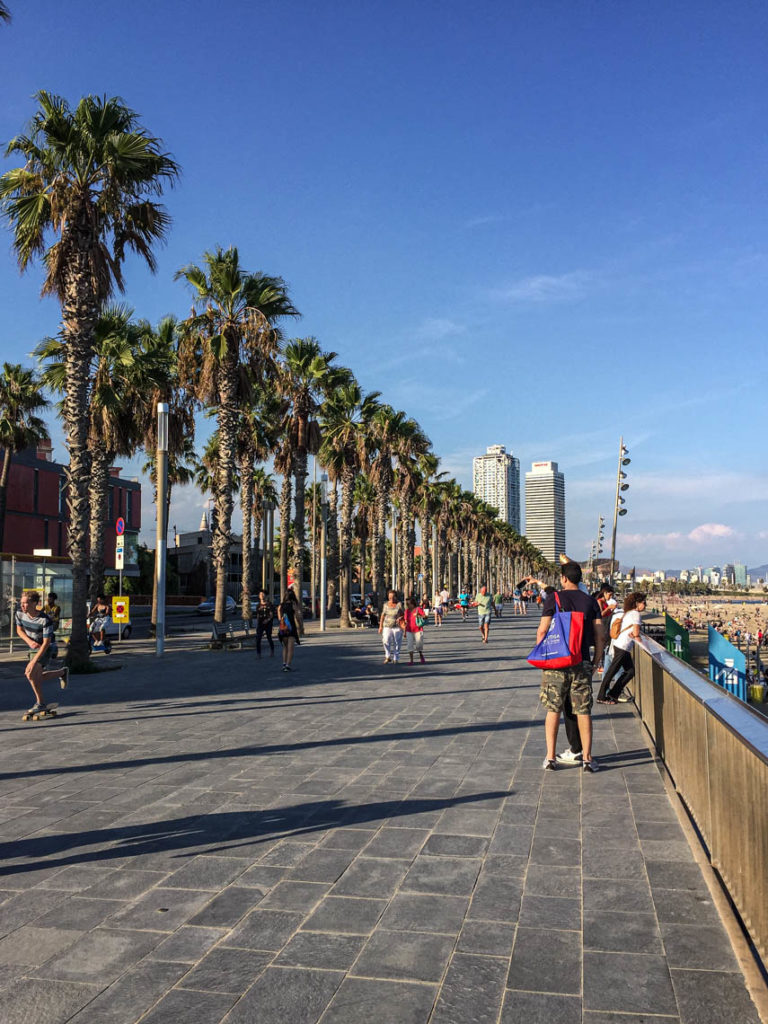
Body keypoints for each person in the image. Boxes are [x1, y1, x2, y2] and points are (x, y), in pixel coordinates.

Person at [537, 562, 604, 772]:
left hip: (557, 661)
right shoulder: (591, 602)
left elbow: (542, 631)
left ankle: (550, 757)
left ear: (563, 578)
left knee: (553, 708)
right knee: (583, 710)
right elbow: (600, 636)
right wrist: (596, 661)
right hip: (581, 660)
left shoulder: (554, 598)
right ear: (580, 579)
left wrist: (543, 658)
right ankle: (586, 758)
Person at [15, 591, 69, 717]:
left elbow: (46, 643)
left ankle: (40, 703)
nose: (22, 606)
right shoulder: (19, 613)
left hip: (47, 648)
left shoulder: (45, 620)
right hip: (33, 648)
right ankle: (62, 672)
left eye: (26, 603)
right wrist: (30, 641)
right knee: (35, 676)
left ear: (34, 603)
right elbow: (19, 630)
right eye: (21, 603)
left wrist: (33, 662)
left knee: (30, 673)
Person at [596, 592, 647, 704]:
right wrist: (646, 646)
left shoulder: (629, 612)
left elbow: (633, 632)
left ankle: (613, 693)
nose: (645, 605)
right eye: (644, 602)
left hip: (620, 645)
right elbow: (636, 633)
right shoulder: (636, 614)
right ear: (637, 603)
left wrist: (634, 634)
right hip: (623, 647)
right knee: (612, 671)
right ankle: (601, 696)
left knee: (630, 671)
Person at [277, 590, 300, 672]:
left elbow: (279, 617)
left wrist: (282, 621)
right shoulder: (293, 604)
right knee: (290, 648)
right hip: (291, 628)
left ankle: (284, 663)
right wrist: (299, 626)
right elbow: (297, 616)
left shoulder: (281, 605)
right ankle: (288, 665)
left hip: (283, 628)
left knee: (285, 647)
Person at [379, 590, 405, 663]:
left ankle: (396, 658)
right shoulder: (385, 604)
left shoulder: (399, 604)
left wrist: (401, 617)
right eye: (390, 597)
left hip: (397, 626)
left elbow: (404, 614)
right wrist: (380, 626)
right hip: (387, 626)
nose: (391, 598)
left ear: (396, 597)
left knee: (397, 642)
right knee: (386, 640)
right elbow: (382, 615)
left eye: (393, 597)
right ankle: (387, 656)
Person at [404, 596, 426, 664]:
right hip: (409, 630)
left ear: (413, 603)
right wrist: (404, 632)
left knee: (419, 645)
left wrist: (419, 614)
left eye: (409, 604)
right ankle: (411, 660)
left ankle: (421, 654)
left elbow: (425, 616)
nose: (408, 605)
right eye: (407, 604)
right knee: (410, 645)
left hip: (418, 630)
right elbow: (405, 622)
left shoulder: (418, 609)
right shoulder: (406, 611)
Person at [254, 590, 275, 658]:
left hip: (268, 624)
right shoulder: (258, 605)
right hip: (260, 624)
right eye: (260, 594)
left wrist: (268, 620)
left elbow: (271, 614)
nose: (261, 596)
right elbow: (257, 615)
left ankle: (272, 651)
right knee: (258, 638)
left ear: (266, 596)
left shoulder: (269, 604)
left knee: (269, 637)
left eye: (263, 594)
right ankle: (258, 654)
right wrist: (258, 624)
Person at [45, 592, 61, 658]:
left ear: (53, 600)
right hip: (48, 623)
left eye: (50, 599)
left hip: (54, 623)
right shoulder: (46, 606)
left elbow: (54, 616)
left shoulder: (57, 607)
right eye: (48, 599)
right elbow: (40, 612)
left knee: (50, 634)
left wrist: (47, 616)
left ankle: (53, 650)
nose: (48, 600)